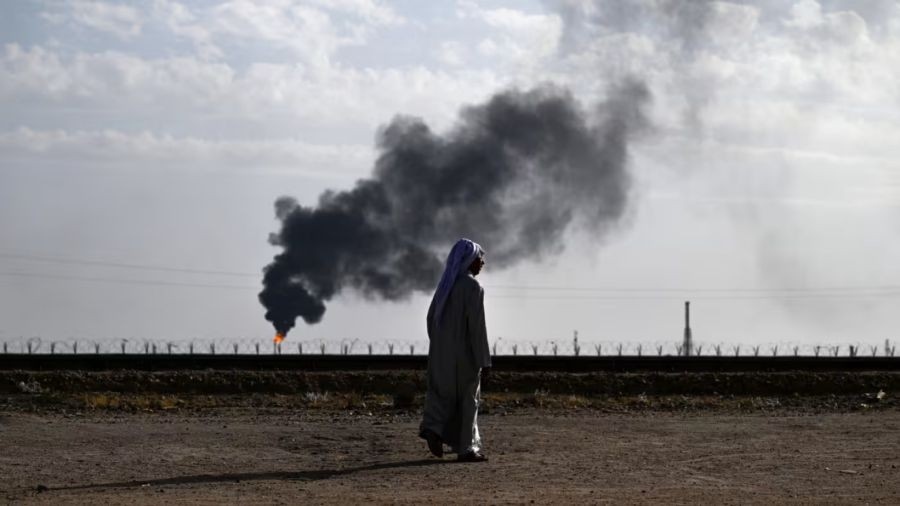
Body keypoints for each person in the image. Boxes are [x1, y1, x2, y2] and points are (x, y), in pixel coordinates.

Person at [419, 238, 491, 462]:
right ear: (469, 260)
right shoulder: (473, 287)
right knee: (468, 400)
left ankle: (433, 428)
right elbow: (477, 328)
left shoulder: (445, 286)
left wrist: (440, 346)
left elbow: (430, 319)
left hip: (440, 353)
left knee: (441, 395)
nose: (482, 263)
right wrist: (483, 360)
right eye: (479, 258)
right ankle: (466, 448)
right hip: (465, 356)